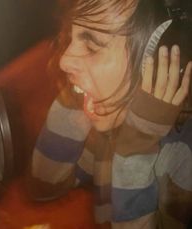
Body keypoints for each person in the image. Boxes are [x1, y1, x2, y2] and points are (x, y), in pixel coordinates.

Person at [26, 0, 192, 228]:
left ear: (153, 63)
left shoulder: (183, 158)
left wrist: (139, 141)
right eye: (71, 39)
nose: (64, 61)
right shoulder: (109, 119)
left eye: (92, 47)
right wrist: (77, 96)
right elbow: (44, 186)